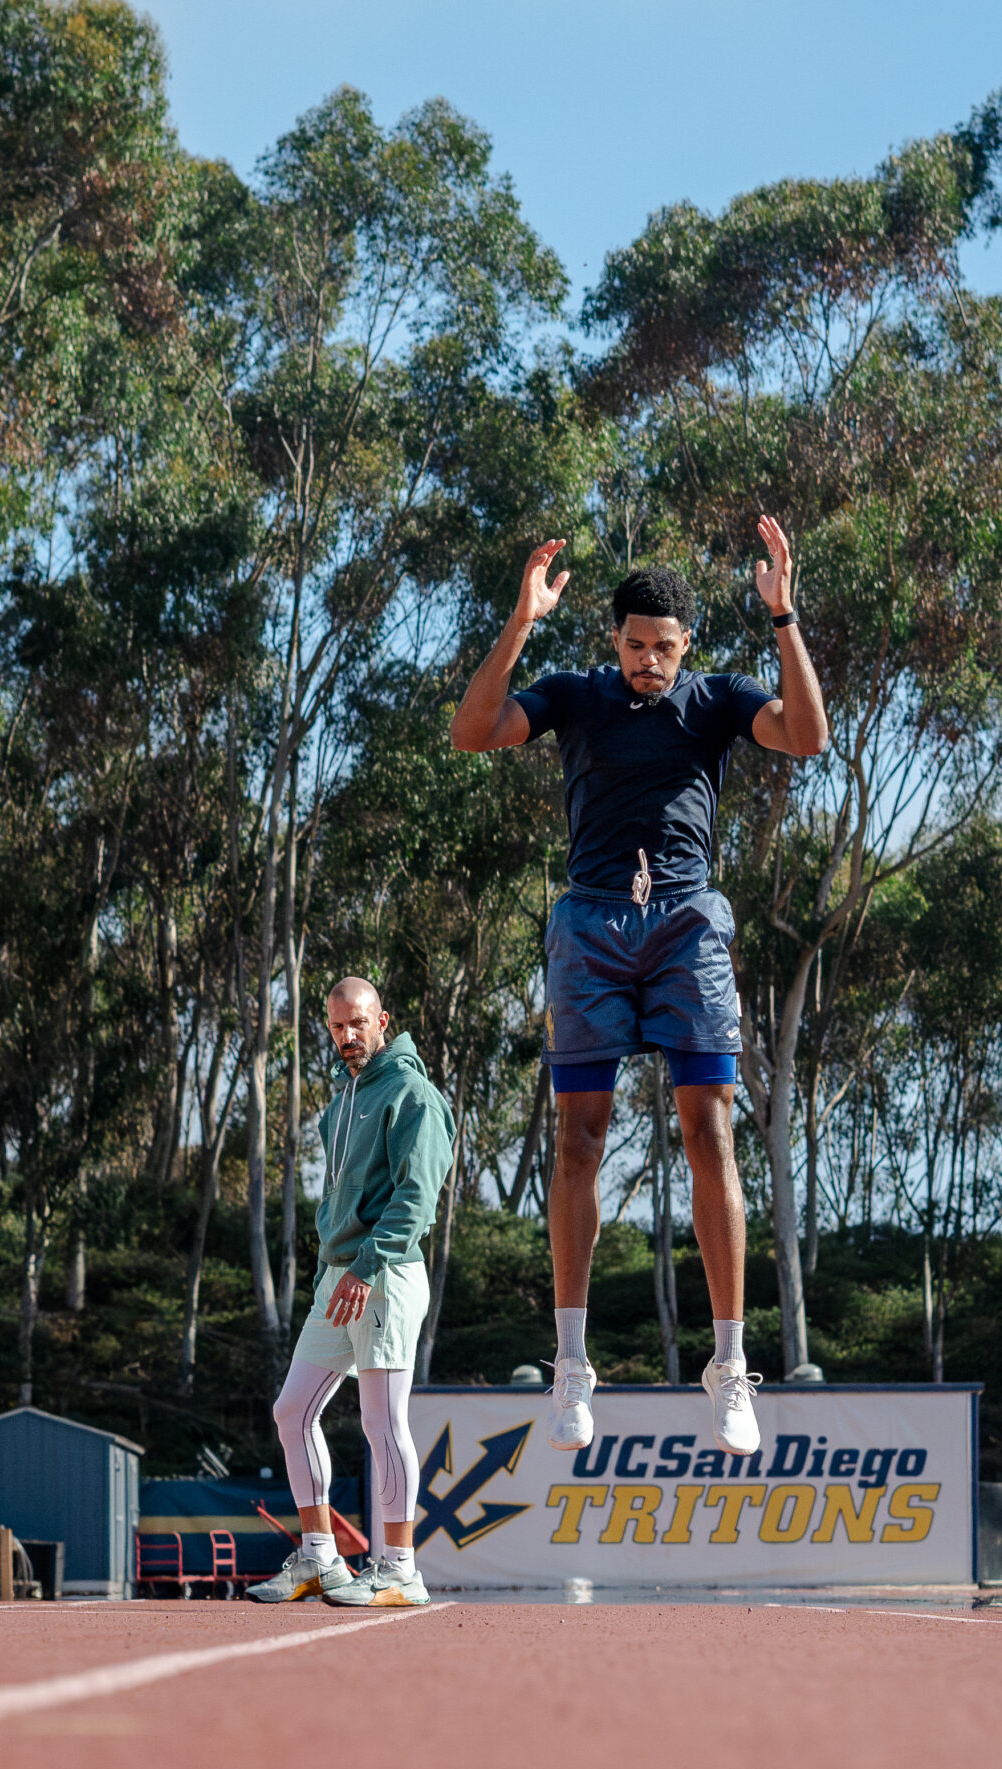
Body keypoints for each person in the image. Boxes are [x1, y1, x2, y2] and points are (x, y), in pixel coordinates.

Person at [449, 522, 829, 1457]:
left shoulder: (714, 702)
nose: (649, 660)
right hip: (590, 927)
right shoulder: (577, 698)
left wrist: (782, 614)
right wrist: (520, 622)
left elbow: (808, 737)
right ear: (613, 640)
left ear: (686, 643)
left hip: (688, 926)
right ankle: (572, 1364)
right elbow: (471, 733)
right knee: (579, 1140)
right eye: (634, 644)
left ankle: (730, 1365)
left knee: (711, 1132)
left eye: (664, 646)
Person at [247, 978, 455, 1608]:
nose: (347, 1037)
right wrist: (331, 1271)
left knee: (382, 1421)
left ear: (382, 1020)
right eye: (337, 1027)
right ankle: (319, 1556)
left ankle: (398, 1567)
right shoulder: (342, 1101)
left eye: (358, 1023)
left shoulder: (412, 1093)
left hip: (384, 1274)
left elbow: (416, 1200)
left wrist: (366, 1267)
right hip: (340, 1277)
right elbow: (338, 1203)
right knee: (292, 1411)